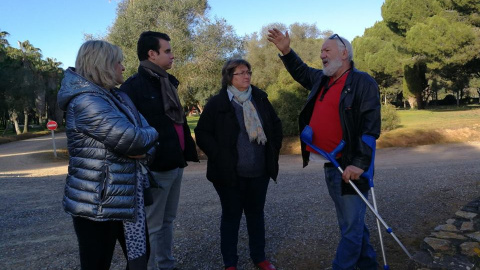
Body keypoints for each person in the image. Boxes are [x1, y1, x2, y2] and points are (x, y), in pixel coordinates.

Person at [268, 29, 381, 270]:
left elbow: (370, 128)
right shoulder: (322, 79)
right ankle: (369, 265)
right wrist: (286, 51)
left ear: (344, 53)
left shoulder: (363, 82)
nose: (322, 55)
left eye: (326, 50)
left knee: (350, 226)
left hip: (350, 165)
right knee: (352, 224)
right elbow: (301, 71)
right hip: (331, 164)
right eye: (321, 51)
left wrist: (359, 164)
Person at [58, 40, 159, 270]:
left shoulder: (117, 97)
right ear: (102, 65)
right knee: (96, 263)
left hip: (125, 196)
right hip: (97, 202)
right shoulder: (86, 101)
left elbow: (145, 141)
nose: (123, 67)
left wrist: (144, 143)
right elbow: (135, 140)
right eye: (118, 62)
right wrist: (150, 136)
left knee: (141, 255)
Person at [120, 31, 199, 270]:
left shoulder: (167, 81)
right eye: (167, 51)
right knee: (153, 225)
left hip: (175, 163)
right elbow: (128, 130)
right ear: (151, 54)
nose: (172, 55)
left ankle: (166, 264)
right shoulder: (132, 88)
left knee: (168, 220)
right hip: (155, 168)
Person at [194, 59, 283, 270]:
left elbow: (276, 125)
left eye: (248, 72)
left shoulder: (260, 99)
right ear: (229, 77)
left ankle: (259, 257)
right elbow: (202, 133)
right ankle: (230, 263)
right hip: (229, 174)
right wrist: (219, 156)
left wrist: (272, 150)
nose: (246, 76)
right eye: (241, 73)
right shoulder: (218, 103)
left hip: (259, 172)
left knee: (256, 216)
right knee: (231, 218)